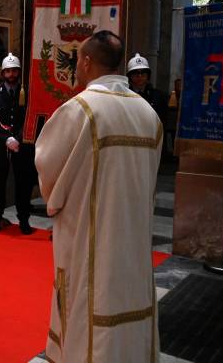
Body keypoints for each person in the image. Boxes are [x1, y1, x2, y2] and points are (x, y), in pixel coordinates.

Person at [35, 31, 162, 362]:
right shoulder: (149, 114)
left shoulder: (81, 110)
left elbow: (48, 167)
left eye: (78, 60)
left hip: (90, 233)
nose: (77, 66)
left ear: (87, 62)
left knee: (90, 299)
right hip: (132, 237)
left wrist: (55, 197)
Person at [0, 52, 37, 235]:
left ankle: (24, 220)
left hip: (23, 146)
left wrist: (19, 138)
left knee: (24, 183)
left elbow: (32, 119)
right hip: (0, 145)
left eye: (15, 71)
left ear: (19, 72)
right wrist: (6, 138)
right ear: (3, 73)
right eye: (8, 71)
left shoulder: (28, 92)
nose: (12, 75)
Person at [127, 53, 168, 122]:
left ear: (148, 75)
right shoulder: (124, 95)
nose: (139, 76)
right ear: (130, 76)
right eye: (135, 73)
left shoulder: (158, 96)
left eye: (143, 72)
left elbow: (162, 120)